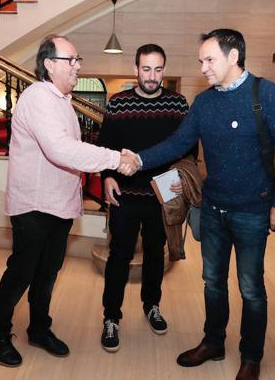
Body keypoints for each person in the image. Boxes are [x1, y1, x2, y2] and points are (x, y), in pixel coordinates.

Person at [122, 29, 275, 380]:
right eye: (201, 61)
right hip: (214, 207)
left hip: (254, 209)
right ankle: (213, 342)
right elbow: (178, 142)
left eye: (209, 60)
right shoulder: (205, 103)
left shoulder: (268, 94)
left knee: (250, 287)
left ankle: (251, 357)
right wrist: (139, 161)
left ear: (233, 57)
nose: (203, 67)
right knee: (212, 282)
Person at [0, 35, 138, 367]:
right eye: (72, 60)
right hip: (35, 205)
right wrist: (115, 158)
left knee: (49, 271)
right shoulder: (38, 97)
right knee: (22, 272)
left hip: (58, 205)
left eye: (77, 59)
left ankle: (39, 328)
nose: (78, 66)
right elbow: (61, 150)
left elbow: (69, 156)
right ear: (50, 65)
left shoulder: (61, 99)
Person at [96, 44, 195, 352]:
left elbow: (189, 149)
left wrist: (182, 176)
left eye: (158, 69)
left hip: (162, 196)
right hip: (126, 196)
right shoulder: (118, 103)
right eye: (146, 69)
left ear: (164, 69)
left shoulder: (179, 104)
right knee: (119, 257)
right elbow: (106, 147)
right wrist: (107, 176)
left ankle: (151, 305)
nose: (152, 76)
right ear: (135, 70)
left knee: (156, 255)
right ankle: (111, 317)